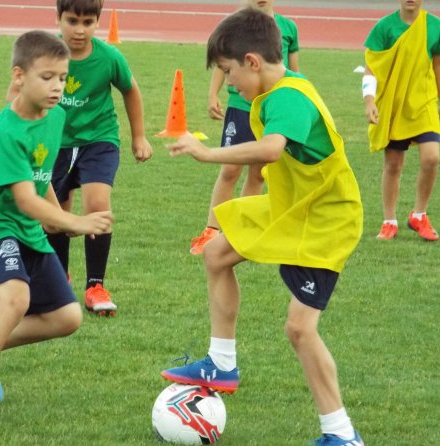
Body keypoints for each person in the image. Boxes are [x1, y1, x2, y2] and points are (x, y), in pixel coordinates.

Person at [162, 9, 365, 446]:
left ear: (253, 61)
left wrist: (204, 153)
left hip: (326, 220)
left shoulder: (288, 97)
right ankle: (222, 363)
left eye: (228, 71)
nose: (228, 82)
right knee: (216, 251)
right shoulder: (270, 93)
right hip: (290, 208)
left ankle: (342, 435)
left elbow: (271, 150)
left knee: (299, 329)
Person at [0, 30, 114, 427]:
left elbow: (41, 178)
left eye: (62, 78)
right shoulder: (5, 130)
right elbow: (22, 198)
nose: (57, 87)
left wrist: (58, 219)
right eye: (46, 77)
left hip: (29, 226)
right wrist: (73, 221)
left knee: (67, 317)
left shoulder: (56, 116)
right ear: (19, 76)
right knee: (14, 300)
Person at [9, 0, 153, 317]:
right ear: (58, 19)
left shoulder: (109, 57)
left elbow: (130, 90)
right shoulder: (44, 56)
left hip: (99, 140)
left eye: (88, 22)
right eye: (72, 21)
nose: (79, 29)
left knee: (98, 204)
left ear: (97, 23)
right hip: (56, 144)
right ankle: (60, 280)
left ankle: (95, 286)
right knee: (55, 213)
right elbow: (17, 93)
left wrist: (138, 136)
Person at [189, 0, 299, 255]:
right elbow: (223, 63)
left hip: (267, 111)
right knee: (229, 169)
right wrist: (212, 93)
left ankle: (243, 230)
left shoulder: (288, 28)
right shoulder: (237, 25)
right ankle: (212, 230)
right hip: (240, 107)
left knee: (258, 174)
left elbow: (293, 71)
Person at [363, 0, 440, 241]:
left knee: (432, 157)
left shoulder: (433, 26)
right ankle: (389, 221)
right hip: (395, 106)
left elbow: (437, 66)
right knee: (394, 165)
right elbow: (371, 69)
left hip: (424, 104)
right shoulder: (384, 28)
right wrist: (369, 101)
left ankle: (419, 214)